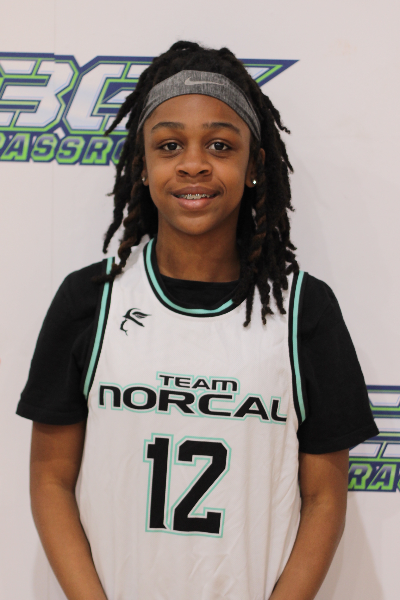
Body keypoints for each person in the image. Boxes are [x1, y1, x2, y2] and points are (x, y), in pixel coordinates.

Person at [17, 41, 378, 600]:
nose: (193, 164)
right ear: (142, 165)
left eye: (219, 145)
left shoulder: (304, 309)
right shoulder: (90, 300)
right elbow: (50, 478)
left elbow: (325, 497)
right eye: (169, 145)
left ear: (254, 165)